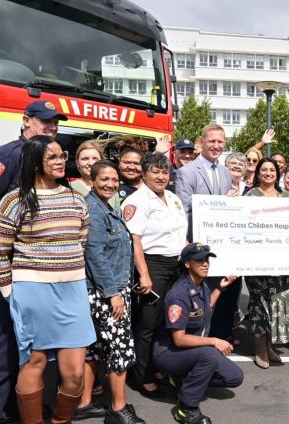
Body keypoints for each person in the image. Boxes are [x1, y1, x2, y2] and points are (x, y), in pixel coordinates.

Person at [0, 135, 95, 424]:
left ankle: (60, 420)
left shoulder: (76, 199)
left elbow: (80, 243)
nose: (61, 161)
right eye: (53, 157)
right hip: (32, 292)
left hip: (73, 290)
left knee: (74, 373)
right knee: (34, 362)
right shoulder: (13, 201)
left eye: (63, 156)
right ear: (35, 163)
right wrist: (11, 294)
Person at [0, 100, 66, 424]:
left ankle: (15, 408)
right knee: (3, 344)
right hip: (13, 268)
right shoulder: (9, 155)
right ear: (26, 121)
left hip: (38, 269)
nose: (52, 126)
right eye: (45, 121)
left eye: (55, 122)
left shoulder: (47, 160)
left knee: (26, 344)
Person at [73, 160, 145, 424]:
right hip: (107, 292)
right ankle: (118, 408)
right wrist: (114, 293)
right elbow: (96, 256)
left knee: (95, 349)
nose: (111, 184)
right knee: (119, 349)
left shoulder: (105, 207)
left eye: (114, 180)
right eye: (104, 179)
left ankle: (83, 403)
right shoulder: (94, 209)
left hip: (106, 290)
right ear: (92, 181)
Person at [153, 243, 244, 424]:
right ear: (187, 264)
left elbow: (204, 310)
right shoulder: (179, 294)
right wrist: (214, 341)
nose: (205, 264)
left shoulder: (202, 286)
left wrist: (220, 287)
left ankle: (183, 379)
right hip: (168, 353)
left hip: (189, 353)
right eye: (199, 260)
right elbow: (179, 340)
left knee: (235, 377)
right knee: (210, 354)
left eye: (207, 259)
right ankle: (186, 408)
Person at [123, 152, 188, 398]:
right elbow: (135, 240)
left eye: (164, 172)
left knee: (165, 322)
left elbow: (179, 233)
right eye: (155, 172)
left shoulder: (172, 198)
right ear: (144, 173)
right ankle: (141, 376)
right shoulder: (138, 200)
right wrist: (144, 275)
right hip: (152, 266)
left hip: (176, 265)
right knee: (147, 324)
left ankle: (158, 367)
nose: (161, 176)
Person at [176, 123, 235, 342]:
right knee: (195, 300)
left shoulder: (225, 172)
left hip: (219, 246)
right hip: (196, 246)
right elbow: (183, 209)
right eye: (212, 141)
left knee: (216, 296)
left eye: (220, 142)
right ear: (201, 143)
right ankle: (193, 345)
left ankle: (210, 344)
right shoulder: (186, 172)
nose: (216, 146)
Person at [245, 159, 289, 368]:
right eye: (264, 170)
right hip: (257, 260)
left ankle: (269, 345)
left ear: (277, 174)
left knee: (277, 302)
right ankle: (259, 347)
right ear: (258, 174)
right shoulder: (250, 197)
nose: (268, 173)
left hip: (282, 260)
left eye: (272, 170)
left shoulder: (286, 197)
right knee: (259, 302)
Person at [71, 139, 120, 211]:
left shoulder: (112, 189)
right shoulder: (69, 188)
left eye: (95, 159)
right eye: (85, 159)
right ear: (77, 163)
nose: (90, 163)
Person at [117, 136, 149, 201]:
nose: (131, 167)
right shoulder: (113, 186)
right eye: (127, 162)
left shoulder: (151, 185)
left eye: (137, 163)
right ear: (119, 161)